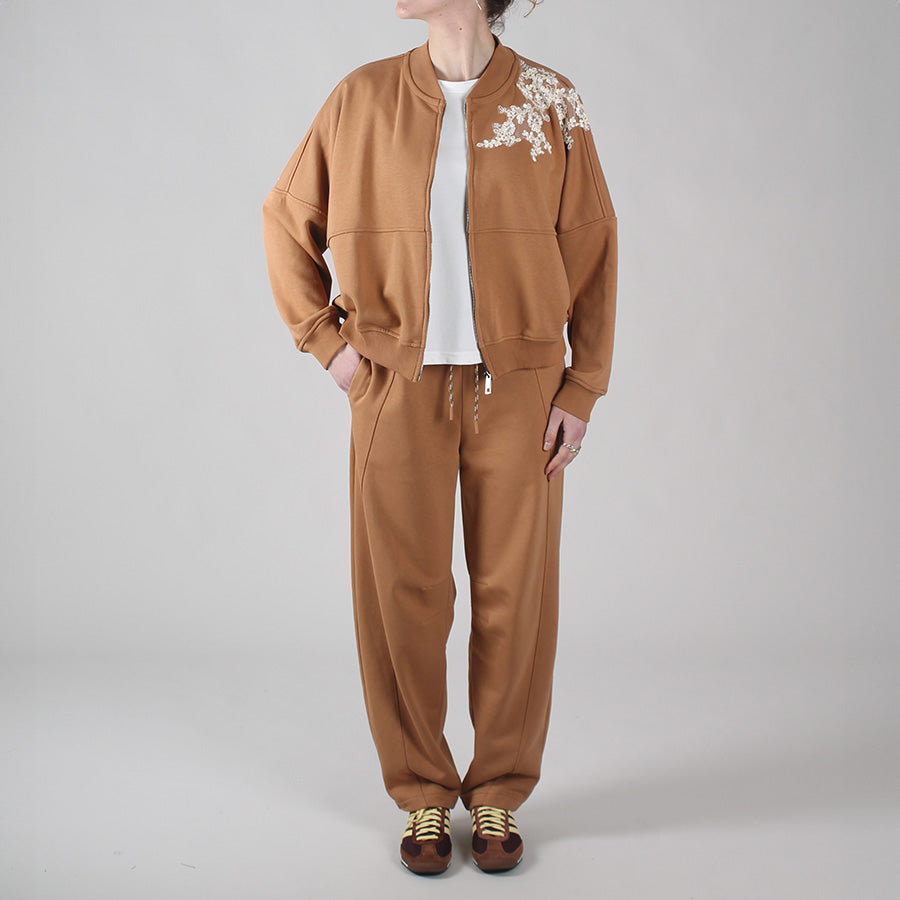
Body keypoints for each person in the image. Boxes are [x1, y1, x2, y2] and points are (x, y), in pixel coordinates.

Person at [261, 0, 617, 876]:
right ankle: (422, 790)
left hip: (522, 390)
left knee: (514, 595)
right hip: (397, 385)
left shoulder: (550, 100)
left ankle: (498, 790)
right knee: (402, 595)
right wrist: (331, 348)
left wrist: (581, 386)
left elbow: (594, 248)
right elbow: (285, 217)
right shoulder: (360, 98)